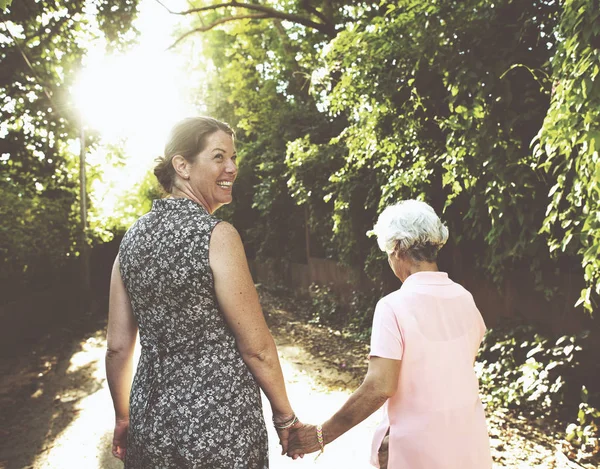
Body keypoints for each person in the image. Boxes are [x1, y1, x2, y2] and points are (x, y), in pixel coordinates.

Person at [105, 117, 300, 468]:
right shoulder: (218, 236)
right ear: (182, 165)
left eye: (234, 158)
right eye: (219, 157)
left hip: (150, 425)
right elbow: (256, 348)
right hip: (221, 424)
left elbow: (117, 347)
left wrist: (124, 418)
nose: (232, 167)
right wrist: (285, 417)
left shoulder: (130, 240)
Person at [287, 200, 492, 468]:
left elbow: (379, 386)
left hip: (418, 453)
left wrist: (320, 436)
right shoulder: (465, 299)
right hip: (470, 447)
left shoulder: (393, 306)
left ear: (396, 248)